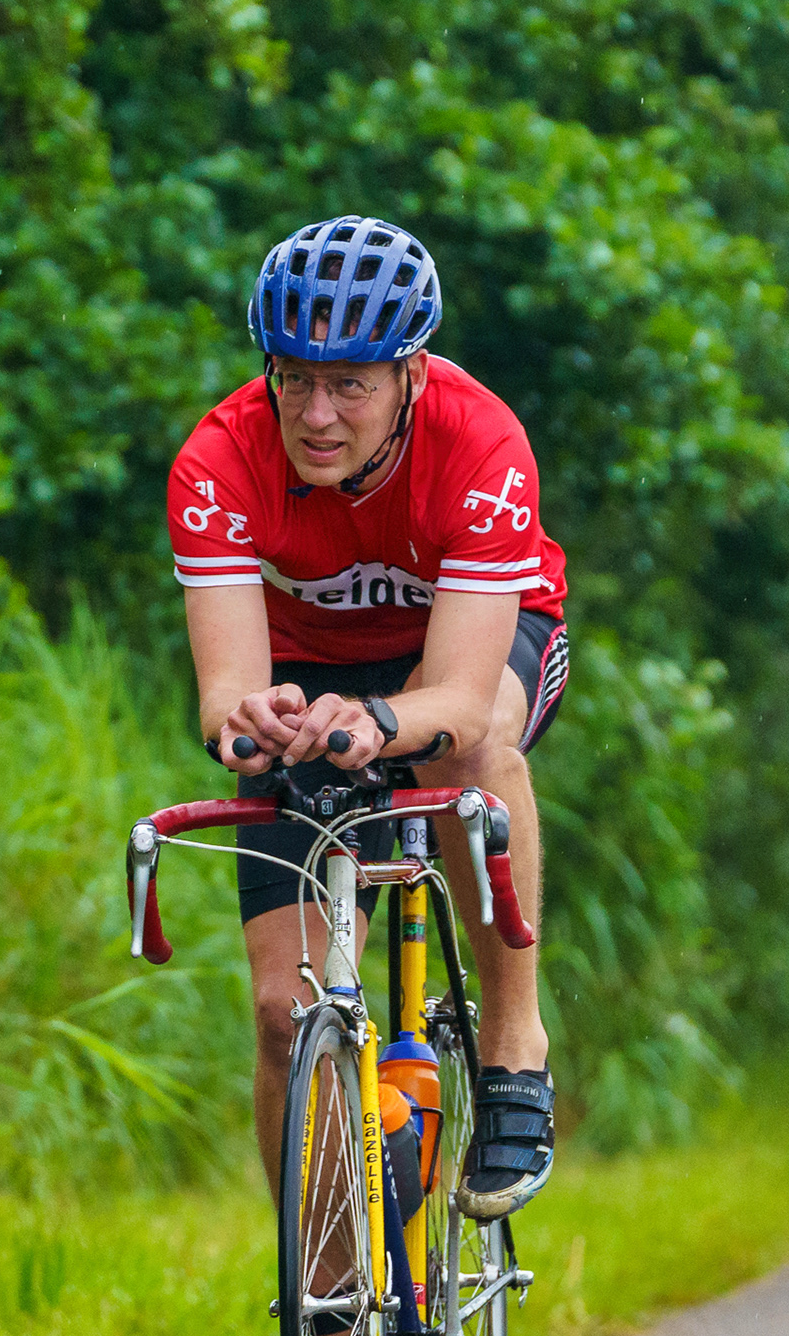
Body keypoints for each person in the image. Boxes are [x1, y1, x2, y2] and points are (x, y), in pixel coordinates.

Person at [167, 214, 569, 1223]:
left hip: (470, 644)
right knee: (280, 1011)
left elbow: (458, 699)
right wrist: (252, 717)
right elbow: (225, 696)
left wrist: (379, 722)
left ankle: (513, 1044)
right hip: (309, 671)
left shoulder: (482, 443)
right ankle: (329, 1295)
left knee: (473, 744)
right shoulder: (218, 460)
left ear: (411, 377)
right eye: (294, 378)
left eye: (350, 384)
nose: (316, 414)